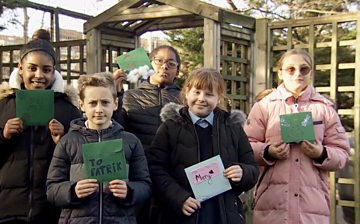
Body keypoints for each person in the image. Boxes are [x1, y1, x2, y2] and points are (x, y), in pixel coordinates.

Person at [0, 30, 82, 223]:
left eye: (46, 70)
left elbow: (81, 164)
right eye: (32, 68)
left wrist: (63, 141)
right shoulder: (1, 107)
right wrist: (2, 135)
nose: (39, 75)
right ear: (20, 68)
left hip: (53, 211)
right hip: (10, 212)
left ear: (54, 71)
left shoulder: (68, 110)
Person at [244, 48, 350, 224]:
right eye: (291, 69)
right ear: (281, 73)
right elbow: (245, 147)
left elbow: (342, 154)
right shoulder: (264, 106)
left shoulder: (324, 108)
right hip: (272, 205)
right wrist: (268, 151)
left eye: (304, 69)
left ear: (311, 73)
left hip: (312, 208)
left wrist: (321, 153)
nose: (297, 74)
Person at [147, 68, 259, 224]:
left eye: (209, 94)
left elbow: (252, 168)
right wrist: (178, 197)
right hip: (183, 213)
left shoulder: (232, 127)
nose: (201, 98)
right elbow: (156, 169)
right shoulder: (170, 127)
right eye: (197, 92)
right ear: (186, 93)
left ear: (219, 97)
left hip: (224, 213)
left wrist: (242, 172)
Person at [46, 72, 151, 224]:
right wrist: (72, 191)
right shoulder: (68, 142)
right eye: (93, 103)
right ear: (81, 105)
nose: (99, 109)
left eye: (105, 102)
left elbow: (145, 185)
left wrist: (129, 191)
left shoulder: (131, 142)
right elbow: (52, 188)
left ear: (115, 103)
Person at [112, 45, 182, 223]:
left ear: (178, 71)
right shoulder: (129, 96)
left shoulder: (185, 99)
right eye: (159, 61)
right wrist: (115, 93)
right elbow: (116, 130)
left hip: (172, 176)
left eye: (171, 63)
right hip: (139, 174)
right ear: (149, 64)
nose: (164, 67)